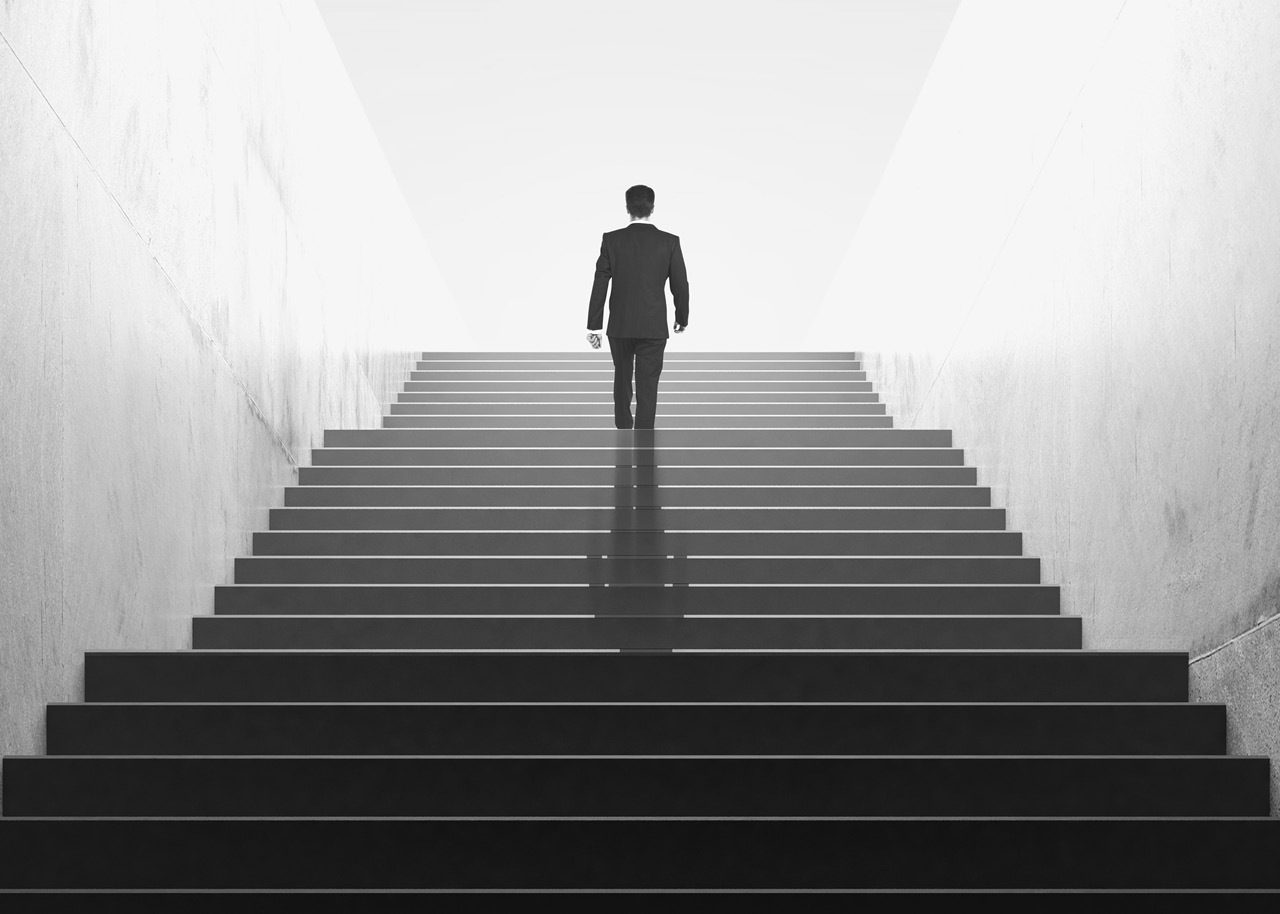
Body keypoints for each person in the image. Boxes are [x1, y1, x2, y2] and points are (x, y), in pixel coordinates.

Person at [585, 185, 690, 430]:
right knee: (648, 384)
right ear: (652, 207)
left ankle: (622, 428)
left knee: (621, 377)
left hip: (620, 325)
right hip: (653, 326)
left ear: (627, 208)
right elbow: (680, 284)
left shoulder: (612, 240)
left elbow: (600, 282)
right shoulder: (669, 242)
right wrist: (681, 317)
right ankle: (644, 436)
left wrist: (594, 327)